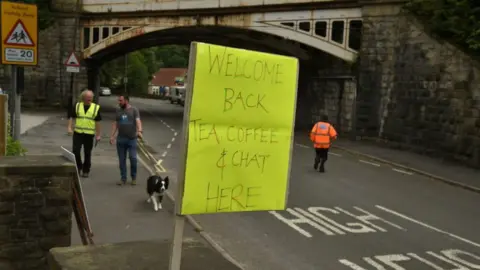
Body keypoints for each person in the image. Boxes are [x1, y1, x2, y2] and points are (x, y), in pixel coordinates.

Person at [67, 89, 102, 178]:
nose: (90, 98)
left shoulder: (95, 107)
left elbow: (97, 122)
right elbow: (71, 117)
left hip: (89, 134)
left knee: (87, 153)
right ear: (83, 97)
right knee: (76, 151)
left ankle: (86, 170)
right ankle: (79, 166)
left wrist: (98, 135)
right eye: (88, 97)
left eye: (91, 97)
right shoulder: (78, 105)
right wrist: (69, 127)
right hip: (78, 133)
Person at [110, 95, 143, 186]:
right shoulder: (118, 110)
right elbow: (115, 123)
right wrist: (112, 136)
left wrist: (139, 130)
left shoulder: (134, 110)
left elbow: (138, 121)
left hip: (132, 139)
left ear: (126, 101)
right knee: (122, 160)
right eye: (119, 101)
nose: (119, 102)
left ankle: (133, 177)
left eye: (121, 101)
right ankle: (123, 178)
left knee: (133, 158)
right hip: (121, 139)